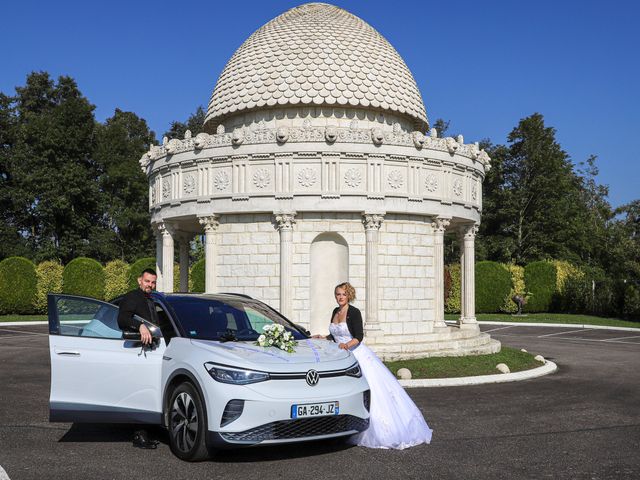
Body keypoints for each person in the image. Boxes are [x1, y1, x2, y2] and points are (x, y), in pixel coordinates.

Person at [315, 282, 432, 449]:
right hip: (340, 355)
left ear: (349, 295)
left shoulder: (354, 312)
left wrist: (346, 346)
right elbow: (335, 336)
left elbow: (359, 336)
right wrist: (323, 338)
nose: (340, 297)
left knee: (372, 391)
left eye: (342, 294)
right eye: (337, 294)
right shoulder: (335, 311)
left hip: (356, 354)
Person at [117, 268, 160, 449]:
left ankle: (150, 426)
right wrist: (140, 325)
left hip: (155, 350)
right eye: (147, 281)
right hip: (138, 350)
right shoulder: (133, 297)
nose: (150, 285)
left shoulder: (152, 299)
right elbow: (122, 318)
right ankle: (139, 435)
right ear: (139, 280)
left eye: (153, 282)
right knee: (142, 390)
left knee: (151, 390)